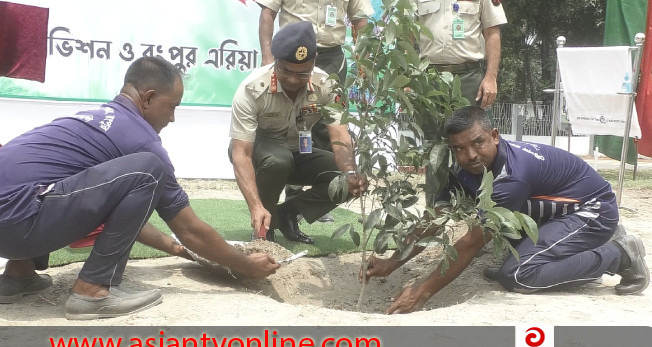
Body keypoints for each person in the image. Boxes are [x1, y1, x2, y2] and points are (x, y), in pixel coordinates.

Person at [0, 57, 280, 320]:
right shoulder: (142, 142)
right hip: (14, 225)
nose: (173, 118)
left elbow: (118, 215)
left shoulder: (93, 119)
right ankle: (93, 291)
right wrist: (244, 264)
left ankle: (18, 276)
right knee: (148, 170)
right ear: (149, 98)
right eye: (172, 106)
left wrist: (176, 249)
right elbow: (190, 228)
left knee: (47, 180)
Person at [364, 106, 650, 314]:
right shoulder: (462, 169)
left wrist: (421, 293)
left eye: (478, 142)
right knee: (511, 261)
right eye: (459, 148)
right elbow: (436, 218)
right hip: (553, 212)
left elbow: (471, 243)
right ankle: (575, 251)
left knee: (519, 275)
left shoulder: (511, 176)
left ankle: (619, 254)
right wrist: (393, 262)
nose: (471, 155)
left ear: (495, 136)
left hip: (591, 211)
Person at [229, 21, 368, 244]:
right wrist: (255, 206)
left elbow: (340, 136)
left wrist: (350, 173)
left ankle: (289, 213)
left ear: (314, 63)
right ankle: (265, 226)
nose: (293, 79)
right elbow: (240, 154)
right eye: (285, 71)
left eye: (303, 73)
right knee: (278, 160)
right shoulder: (252, 89)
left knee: (346, 180)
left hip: (298, 153)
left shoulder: (327, 85)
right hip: (261, 155)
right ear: (275, 61)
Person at [257, 0, 374, 222]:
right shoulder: (252, 87)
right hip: (289, 56)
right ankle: (290, 193)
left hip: (332, 57)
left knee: (325, 129)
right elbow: (267, 13)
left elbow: (361, 20)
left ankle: (300, 207)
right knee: (291, 125)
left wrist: (365, 60)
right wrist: (267, 57)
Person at [415, 0, 507, 206]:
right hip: (429, 79)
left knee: (476, 144)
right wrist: (408, 77)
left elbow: (492, 31)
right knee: (434, 149)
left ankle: (480, 212)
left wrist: (491, 77)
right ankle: (435, 213)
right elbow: (409, 34)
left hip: (468, 78)